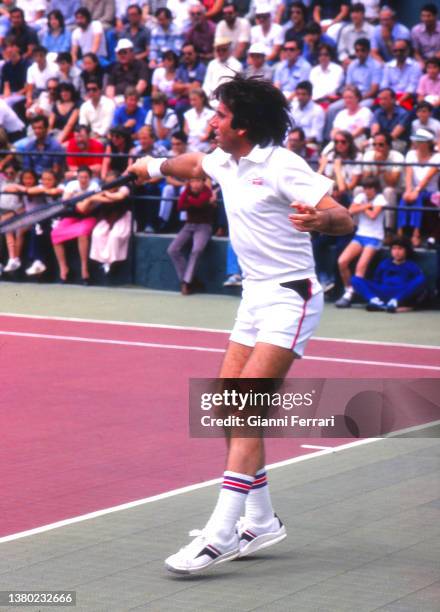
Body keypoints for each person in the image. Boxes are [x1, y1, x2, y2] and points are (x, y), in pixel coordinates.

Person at [127, 74, 353, 574]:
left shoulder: (282, 165)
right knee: (230, 407)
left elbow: (344, 217)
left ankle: (221, 533)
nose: (212, 122)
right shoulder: (225, 161)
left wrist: (323, 222)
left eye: (221, 116)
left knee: (246, 408)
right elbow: (191, 164)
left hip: (290, 299)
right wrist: (151, 165)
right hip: (252, 297)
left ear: (244, 126)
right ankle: (261, 519)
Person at [335, 175, 387, 308]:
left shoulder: (380, 198)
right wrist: (367, 206)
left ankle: (369, 298)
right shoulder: (361, 197)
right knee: (342, 261)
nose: (367, 190)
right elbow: (350, 211)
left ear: (376, 189)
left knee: (360, 269)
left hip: (375, 238)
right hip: (360, 236)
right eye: (365, 188)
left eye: (370, 188)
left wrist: (362, 207)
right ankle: (349, 291)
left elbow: (373, 216)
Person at [51, 165, 99, 283]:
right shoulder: (72, 185)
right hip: (72, 216)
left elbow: (85, 209)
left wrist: (75, 199)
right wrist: (76, 200)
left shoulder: (95, 186)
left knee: (82, 233)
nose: (83, 180)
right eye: (80, 177)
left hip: (89, 216)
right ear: (77, 177)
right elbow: (65, 202)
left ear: (90, 177)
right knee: (55, 234)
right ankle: (63, 268)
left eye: (86, 177)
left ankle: (84, 270)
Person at [352, 237, 427, 312]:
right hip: (382, 291)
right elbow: (376, 281)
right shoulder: (384, 263)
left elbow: (416, 285)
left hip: (400, 293)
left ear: (406, 250)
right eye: (394, 248)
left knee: (421, 279)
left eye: (400, 248)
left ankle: (394, 302)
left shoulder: (411, 265)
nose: (396, 252)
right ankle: (375, 301)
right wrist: (375, 292)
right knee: (355, 279)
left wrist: (401, 298)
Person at [167, 176, 216, 294]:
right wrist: (189, 199)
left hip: (204, 226)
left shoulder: (207, 192)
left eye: (198, 180)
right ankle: (189, 279)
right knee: (172, 249)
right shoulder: (187, 191)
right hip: (188, 225)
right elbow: (180, 206)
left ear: (203, 182)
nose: (195, 184)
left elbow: (199, 204)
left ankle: (186, 283)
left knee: (196, 250)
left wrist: (190, 201)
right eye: (192, 181)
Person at [397, 127, 440, 248]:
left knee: (418, 197)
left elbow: (427, 178)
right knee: (404, 198)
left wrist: (416, 191)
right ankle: (400, 232)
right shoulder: (411, 154)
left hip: (430, 192)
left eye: (419, 141)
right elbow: (409, 174)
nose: (416, 144)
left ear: (427, 143)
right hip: (414, 190)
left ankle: (416, 233)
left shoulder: (437, 157)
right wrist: (408, 190)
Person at [88, 170, 132, 274]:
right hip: (106, 217)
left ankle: (112, 263)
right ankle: (103, 261)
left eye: (112, 182)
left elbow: (119, 197)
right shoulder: (102, 188)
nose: (110, 184)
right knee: (97, 234)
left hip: (123, 216)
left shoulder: (124, 188)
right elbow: (93, 197)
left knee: (115, 236)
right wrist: (106, 195)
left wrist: (105, 193)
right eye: (108, 182)